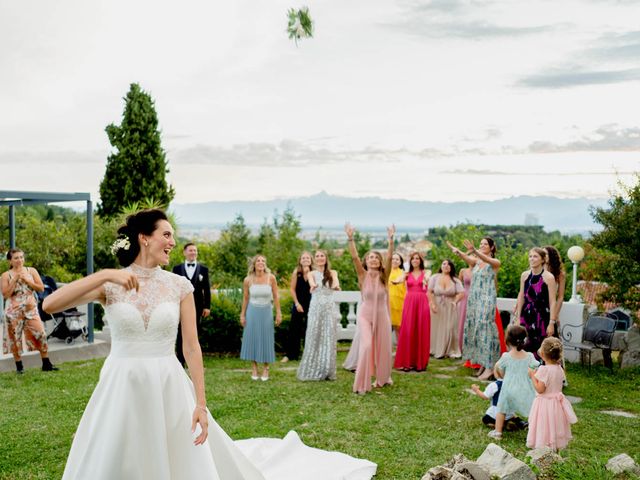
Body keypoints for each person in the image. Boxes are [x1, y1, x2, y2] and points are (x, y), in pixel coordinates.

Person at [43, 209, 377, 480]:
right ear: (145, 238)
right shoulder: (111, 284)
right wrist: (103, 275)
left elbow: (191, 348)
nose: (173, 241)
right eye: (167, 234)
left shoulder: (178, 286)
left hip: (168, 383)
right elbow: (50, 305)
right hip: (121, 382)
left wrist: (200, 404)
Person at [344, 223, 395, 395]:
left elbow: (389, 258)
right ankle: (362, 383)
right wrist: (350, 239)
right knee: (366, 346)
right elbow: (354, 257)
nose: (373, 259)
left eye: (376, 257)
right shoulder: (362, 275)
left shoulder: (384, 275)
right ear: (366, 262)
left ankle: (382, 378)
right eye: (370, 257)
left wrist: (391, 240)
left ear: (379, 262)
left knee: (384, 348)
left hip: (382, 316)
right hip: (365, 315)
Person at [448, 237, 502, 380]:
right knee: (478, 330)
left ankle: (491, 367)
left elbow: (486, 259)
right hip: (475, 299)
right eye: (480, 244)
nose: (482, 245)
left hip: (487, 298)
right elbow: (467, 257)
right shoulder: (477, 262)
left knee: (486, 330)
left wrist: (475, 251)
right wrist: (458, 251)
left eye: (485, 244)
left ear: (491, 247)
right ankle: (484, 364)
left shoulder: (495, 263)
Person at [2, 248, 57, 374]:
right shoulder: (6, 275)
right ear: (10, 261)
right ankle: (19, 366)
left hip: (31, 310)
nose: (19, 260)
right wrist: (14, 279)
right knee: (14, 339)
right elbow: (5, 294)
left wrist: (28, 280)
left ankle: (46, 363)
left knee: (41, 333)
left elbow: (41, 288)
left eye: (21, 257)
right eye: (16, 258)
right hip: (13, 312)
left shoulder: (31, 271)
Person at [487, 325, 539, 440]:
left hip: (509, 388)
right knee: (532, 410)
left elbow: (499, 368)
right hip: (526, 389)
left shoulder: (506, 356)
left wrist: (505, 377)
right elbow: (536, 367)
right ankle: (533, 432)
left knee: (501, 409)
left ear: (508, 340)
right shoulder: (530, 356)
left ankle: (498, 432)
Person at [527, 337, 577, 450]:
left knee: (544, 426)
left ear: (543, 354)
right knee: (555, 425)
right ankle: (555, 447)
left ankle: (543, 447)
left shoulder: (544, 370)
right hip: (556, 405)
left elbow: (540, 389)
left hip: (545, 404)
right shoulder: (560, 369)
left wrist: (532, 377)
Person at [297, 250, 340, 381]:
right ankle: (312, 368)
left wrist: (336, 286)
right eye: (317, 256)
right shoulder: (311, 273)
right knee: (314, 334)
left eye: (322, 256)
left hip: (329, 307)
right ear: (314, 259)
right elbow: (311, 282)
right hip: (316, 307)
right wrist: (313, 285)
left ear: (326, 259)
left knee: (328, 335)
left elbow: (335, 283)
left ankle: (327, 369)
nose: (320, 258)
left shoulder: (333, 273)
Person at [240, 255, 282, 381]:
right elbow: (246, 298)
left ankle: (266, 368)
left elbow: (276, 296)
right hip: (252, 312)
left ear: (265, 264)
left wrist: (279, 312)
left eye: (263, 261)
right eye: (258, 260)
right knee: (252, 338)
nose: (261, 262)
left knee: (266, 338)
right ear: (254, 264)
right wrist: (242, 314)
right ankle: (254, 368)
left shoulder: (271, 278)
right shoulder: (248, 280)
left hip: (267, 312)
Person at [514, 248, 557, 360]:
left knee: (542, 348)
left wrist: (552, 322)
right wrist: (518, 317)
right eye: (530, 256)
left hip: (542, 317)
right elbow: (522, 296)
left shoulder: (549, 277)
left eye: (535, 256)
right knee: (523, 345)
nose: (532, 259)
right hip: (526, 315)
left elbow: (553, 301)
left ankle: (540, 375)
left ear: (543, 260)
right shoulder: (524, 275)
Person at [172, 242, 211, 365]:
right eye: (190, 250)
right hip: (180, 305)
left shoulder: (203, 270)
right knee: (180, 333)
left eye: (195, 250)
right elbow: (173, 288)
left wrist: (207, 306)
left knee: (195, 333)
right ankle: (180, 361)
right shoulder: (177, 269)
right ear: (184, 252)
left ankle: (193, 360)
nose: (193, 252)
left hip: (198, 306)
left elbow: (207, 289)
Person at [393, 252, 431, 371]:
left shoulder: (426, 272)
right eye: (413, 258)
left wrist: (426, 280)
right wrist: (396, 281)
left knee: (421, 330)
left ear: (420, 260)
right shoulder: (406, 273)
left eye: (417, 258)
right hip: (409, 302)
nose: (415, 260)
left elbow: (428, 277)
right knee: (408, 330)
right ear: (410, 261)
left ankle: (420, 363)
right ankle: (407, 362)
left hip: (422, 301)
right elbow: (398, 279)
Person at [428, 259, 464, 359]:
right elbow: (429, 291)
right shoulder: (434, 278)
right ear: (441, 266)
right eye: (444, 264)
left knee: (450, 328)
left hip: (450, 306)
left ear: (451, 267)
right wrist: (432, 304)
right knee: (436, 327)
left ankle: (449, 350)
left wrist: (455, 301)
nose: (446, 266)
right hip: (437, 305)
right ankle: (435, 349)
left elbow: (461, 293)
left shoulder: (455, 280)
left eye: (449, 264)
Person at [283, 251, 313, 363]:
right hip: (298, 304)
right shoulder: (297, 272)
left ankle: (308, 354)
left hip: (312, 304)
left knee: (309, 329)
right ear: (300, 260)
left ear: (311, 260)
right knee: (294, 329)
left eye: (308, 258)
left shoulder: (314, 273)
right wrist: (297, 303)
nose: (305, 259)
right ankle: (290, 355)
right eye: (303, 258)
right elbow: (292, 289)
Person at [543, 245, 567, 337]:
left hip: (550, 309)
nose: (543, 256)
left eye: (546, 254)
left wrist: (555, 315)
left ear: (552, 256)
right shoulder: (536, 270)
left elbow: (560, 297)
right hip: (536, 308)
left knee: (550, 340)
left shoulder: (560, 274)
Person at [388, 253, 406, 342]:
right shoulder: (386, 272)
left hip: (400, 304)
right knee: (386, 328)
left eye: (397, 259)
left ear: (400, 262)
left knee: (399, 328)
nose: (394, 261)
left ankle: (401, 350)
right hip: (387, 303)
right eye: (393, 259)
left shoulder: (403, 273)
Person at [457, 266, 472, 354]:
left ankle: (470, 347)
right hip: (464, 298)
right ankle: (460, 346)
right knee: (462, 321)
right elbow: (458, 285)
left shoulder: (479, 271)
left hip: (475, 297)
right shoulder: (463, 270)